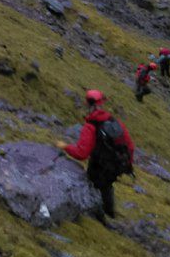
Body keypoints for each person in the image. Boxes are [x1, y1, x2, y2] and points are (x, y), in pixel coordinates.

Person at [56, 89, 135, 220]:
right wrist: (127, 163)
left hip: (99, 167)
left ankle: (98, 218)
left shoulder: (91, 126)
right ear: (101, 103)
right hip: (116, 166)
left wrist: (65, 146)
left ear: (87, 103)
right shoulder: (114, 121)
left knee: (95, 188)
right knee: (107, 187)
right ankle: (110, 214)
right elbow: (130, 145)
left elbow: (82, 153)